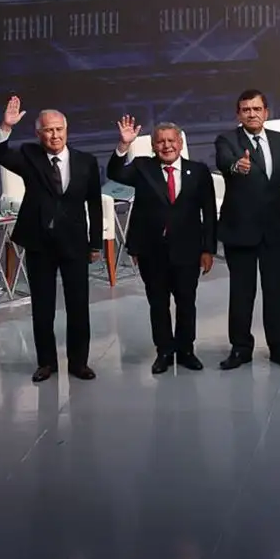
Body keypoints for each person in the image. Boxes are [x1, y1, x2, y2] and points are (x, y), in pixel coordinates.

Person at [0, 96, 104, 383]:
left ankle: (79, 363)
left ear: (67, 130)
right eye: (48, 131)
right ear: (39, 134)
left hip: (75, 242)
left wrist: (95, 243)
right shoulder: (30, 156)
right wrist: (6, 125)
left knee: (78, 306)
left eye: (59, 129)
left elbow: (95, 205)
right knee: (43, 307)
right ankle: (46, 363)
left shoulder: (86, 162)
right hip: (40, 242)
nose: (55, 135)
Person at [109, 117, 217, 374]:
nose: (167, 146)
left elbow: (209, 213)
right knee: (158, 303)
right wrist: (123, 146)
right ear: (153, 146)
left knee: (186, 302)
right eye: (161, 142)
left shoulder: (199, 171)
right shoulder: (142, 167)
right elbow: (114, 172)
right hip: (151, 251)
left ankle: (186, 350)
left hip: (188, 250)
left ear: (180, 143)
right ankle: (164, 351)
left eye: (172, 140)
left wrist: (208, 249)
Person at [214, 89, 280, 370]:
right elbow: (224, 162)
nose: (251, 114)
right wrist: (237, 166)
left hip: (275, 229)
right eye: (245, 110)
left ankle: (279, 347)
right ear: (238, 114)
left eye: (257, 109)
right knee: (242, 293)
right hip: (240, 230)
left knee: (276, 291)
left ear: (266, 112)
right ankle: (241, 348)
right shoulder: (227, 140)